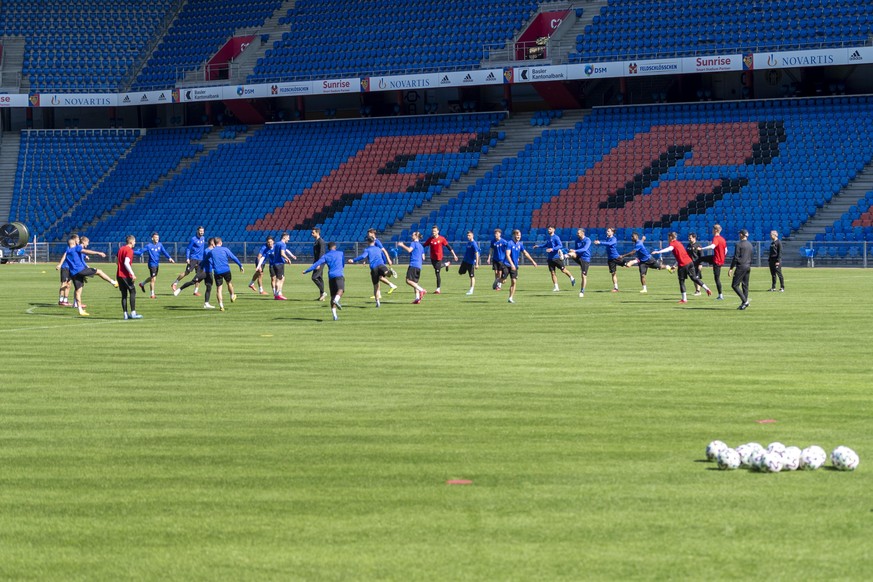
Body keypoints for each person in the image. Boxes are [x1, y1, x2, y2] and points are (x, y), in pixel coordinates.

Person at [64, 234, 118, 316]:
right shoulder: (77, 248)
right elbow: (85, 251)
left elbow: (72, 263)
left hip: (74, 273)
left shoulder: (67, 252)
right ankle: (113, 282)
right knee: (99, 271)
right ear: (74, 243)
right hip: (81, 270)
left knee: (78, 291)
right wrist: (98, 252)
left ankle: (80, 310)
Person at [651, 232, 712, 303]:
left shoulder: (673, 243)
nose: (668, 239)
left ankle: (684, 299)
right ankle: (707, 288)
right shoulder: (679, 243)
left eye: (668, 237)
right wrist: (675, 265)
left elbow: (669, 249)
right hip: (690, 262)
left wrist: (658, 252)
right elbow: (682, 255)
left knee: (681, 281)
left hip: (683, 265)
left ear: (671, 237)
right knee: (694, 278)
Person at [349, 236, 397, 307]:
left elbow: (362, 256)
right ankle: (389, 272)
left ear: (368, 242)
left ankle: (377, 302)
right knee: (387, 274)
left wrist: (353, 260)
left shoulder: (367, 249)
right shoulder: (378, 249)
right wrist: (385, 262)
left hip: (374, 268)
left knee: (376, 286)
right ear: (374, 242)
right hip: (381, 265)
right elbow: (383, 256)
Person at [303, 242, 346, 320]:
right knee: (341, 290)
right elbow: (343, 263)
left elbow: (316, 264)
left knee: (332, 296)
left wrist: (307, 271)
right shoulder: (340, 253)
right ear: (335, 247)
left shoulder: (326, 256)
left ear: (328, 248)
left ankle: (334, 315)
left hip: (331, 277)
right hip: (339, 275)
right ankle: (336, 300)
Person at [175, 238, 217, 308]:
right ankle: (179, 289)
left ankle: (206, 303)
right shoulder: (207, 251)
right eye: (215, 243)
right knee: (192, 282)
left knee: (209, 287)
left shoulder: (213, 251)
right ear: (212, 243)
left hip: (209, 272)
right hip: (203, 271)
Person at [134, 232, 175, 299]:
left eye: (158, 238)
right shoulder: (149, 246)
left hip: (156, 264)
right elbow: (140, 252)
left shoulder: (160, 245)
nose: (157, 239)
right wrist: (131, 251)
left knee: (153, 278)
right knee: (153, 279)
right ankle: (152, 294)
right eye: (156, 237)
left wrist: (169, 258)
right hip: (151, 264)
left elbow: (164, 252)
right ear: (152, 238)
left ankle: (142, 284)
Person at [534, 226, 575, 291]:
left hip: (556, 258)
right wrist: (538, 246)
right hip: (550, 258)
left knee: (563, 270)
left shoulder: (556, 237)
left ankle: (572, 278)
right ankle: (556, 287)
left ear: (553, 230)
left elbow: (560, 245)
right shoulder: (548, 237)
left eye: (550, 229)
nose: (548, 230)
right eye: (548, 229)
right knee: (552, 273)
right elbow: (546, 245)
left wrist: (552, 249)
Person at [258, 232, 297, 300]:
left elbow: (279, 252)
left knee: (281, 278)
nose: (289, 239)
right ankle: (277, 294)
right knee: (279, 280)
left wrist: (289, 256)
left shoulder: (277, 244)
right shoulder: (283, 244)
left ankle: (278, 293)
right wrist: (288, 258)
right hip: (279, 264)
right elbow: (282, 253)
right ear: (284, 237)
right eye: (288, 237)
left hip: (275, 264)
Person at [210, 237, 244, 311]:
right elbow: (233, 257)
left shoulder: (212, 251)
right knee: (229, 283)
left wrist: (201, 267)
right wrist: (240, 265)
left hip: (217, 272)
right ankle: (232, 295)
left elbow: (207, 260)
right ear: (221, 242)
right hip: (226, 270)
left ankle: (221, 305)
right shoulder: (225, 249)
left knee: (219, 289)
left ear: (214, 243)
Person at [421, 225, 457, 294]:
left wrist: (454, 255)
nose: (433, 232)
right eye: (433, 231)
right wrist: (421, 253)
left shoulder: (442, 239)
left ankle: (438, 289)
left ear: (438, 231)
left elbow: (448, 247)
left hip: (439, 258)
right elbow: (423, 246)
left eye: (435, 231)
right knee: (436, 268)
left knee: (437, 272)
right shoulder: (430, 239)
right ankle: (446, 264)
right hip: (432, 258)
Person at [505, 229, 538, 303]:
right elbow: (507, 255)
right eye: (517, 235)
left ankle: (510, 298)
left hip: (515, 266)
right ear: (513, 235)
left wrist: (533, 261)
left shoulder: (520, 244)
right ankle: (498, 281)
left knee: (514, 281)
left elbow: (525, 253)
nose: (518, 236)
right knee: (503, 281)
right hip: (507, 264)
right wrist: (511, 264)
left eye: (519, 235)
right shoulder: (509, 243)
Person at [697, 224, 727, 300]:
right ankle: (697, 274)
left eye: (713, 229)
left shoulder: (716, 238)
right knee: (700, 259)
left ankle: (720, 295)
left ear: (716, 230)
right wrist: (722, 256)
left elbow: (712, 246)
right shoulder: (722, 239)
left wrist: (702, 249)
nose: (712, 231)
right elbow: (726, 250)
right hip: (717, 258)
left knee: (717, 278)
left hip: (717, 261)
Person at [396, 232, 428, 304]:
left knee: (408, 281)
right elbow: (423, 257)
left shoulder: (413, 243)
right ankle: (417, 299)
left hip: (413, 264)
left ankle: (421, 290)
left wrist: (402, 245)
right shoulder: (421, 246)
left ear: (416, 236)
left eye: (413, 234)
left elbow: (409, 250)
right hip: (419, 266)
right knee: (415, 282)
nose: (411, 235)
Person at [172, 226, 206, 294]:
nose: (201, 232)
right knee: (187, 272)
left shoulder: (203, 238)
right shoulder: (193, 239)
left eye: (202, 231)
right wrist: (187, 258)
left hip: (200, 259)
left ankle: (195, 291)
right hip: (193, 258)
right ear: (197, 231)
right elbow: (188, 249)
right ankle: (175, 283)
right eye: (200, 231)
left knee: (199, 274)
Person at [116, 235, 142, 320]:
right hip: (125, 275)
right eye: (134, 241)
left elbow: (116, 260)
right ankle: (133, 313)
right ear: (131, 242)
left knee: (124, 295)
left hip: (119, 275)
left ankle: (125, 314)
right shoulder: (129, 250)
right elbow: (126, 263)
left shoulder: (121, 249)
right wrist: (132, 273)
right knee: (132, 291)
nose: (135, 243)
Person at [729, 229, 753, 310]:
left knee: (734, 285)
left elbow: (735, 257)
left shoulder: (738, 244)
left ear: (742, 235)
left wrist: (731, 268)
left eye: (740, 234)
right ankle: (744, 304)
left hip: (741, 266)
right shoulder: (750, 244)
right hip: (748, 266)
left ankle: (745, 301)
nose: (739, 235)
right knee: (745, 286)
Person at [594, 227, 622, 292]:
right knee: (613, 273)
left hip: (616, 257)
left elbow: (610, 244)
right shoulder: (607, 238)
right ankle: (616, 288)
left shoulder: (614, 239)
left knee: (627, 265)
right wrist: (598, 243)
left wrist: (600, 242)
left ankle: (636, 260)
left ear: (612, 232)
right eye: (607, 231)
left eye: (609, 231)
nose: (607, 232)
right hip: (610, 259)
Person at [566, 228, 592, 298]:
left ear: (582, 233)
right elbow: (576, 251)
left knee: (583, 276)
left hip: (585, 259)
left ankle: (582, 291)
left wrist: (574, 250)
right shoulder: (577, 240)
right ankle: (565, 256)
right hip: (579, 257)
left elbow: (584, 249)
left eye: (578, 233)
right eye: (577, 233)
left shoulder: (588, 240)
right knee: (572, 253)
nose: (577, 234)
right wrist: (573, 252)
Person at [458, 230, 480, 295]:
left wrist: (477, 263)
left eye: (469, 235)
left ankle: (471, 290)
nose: (468, 236)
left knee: (471, 276)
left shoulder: (474, 243)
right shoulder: (468, 243)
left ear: (472, 235)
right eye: (467, 235)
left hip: (471, 262)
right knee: (460, 272)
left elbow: (476, 253)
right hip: (465, 261)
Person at [55, 237, 76, 306]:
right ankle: (61, 300)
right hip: (65, 268)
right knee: (64, 283)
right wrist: (60, 264)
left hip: (71, 268)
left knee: (69, 284)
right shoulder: (68, 248)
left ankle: (65, 300)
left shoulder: (75, 249)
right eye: (77, 240)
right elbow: (64, 256)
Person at [311, 228, 328, 301]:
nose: (312, 234)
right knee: (320, 278)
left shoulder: (321, 242)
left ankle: (323, 292)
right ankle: (322, 296)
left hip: (320, 262)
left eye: (313, 232)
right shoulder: (317, 241)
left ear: (317, 233)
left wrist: (319, 264)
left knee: (314, 277)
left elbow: (322, 253)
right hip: (317, 262)